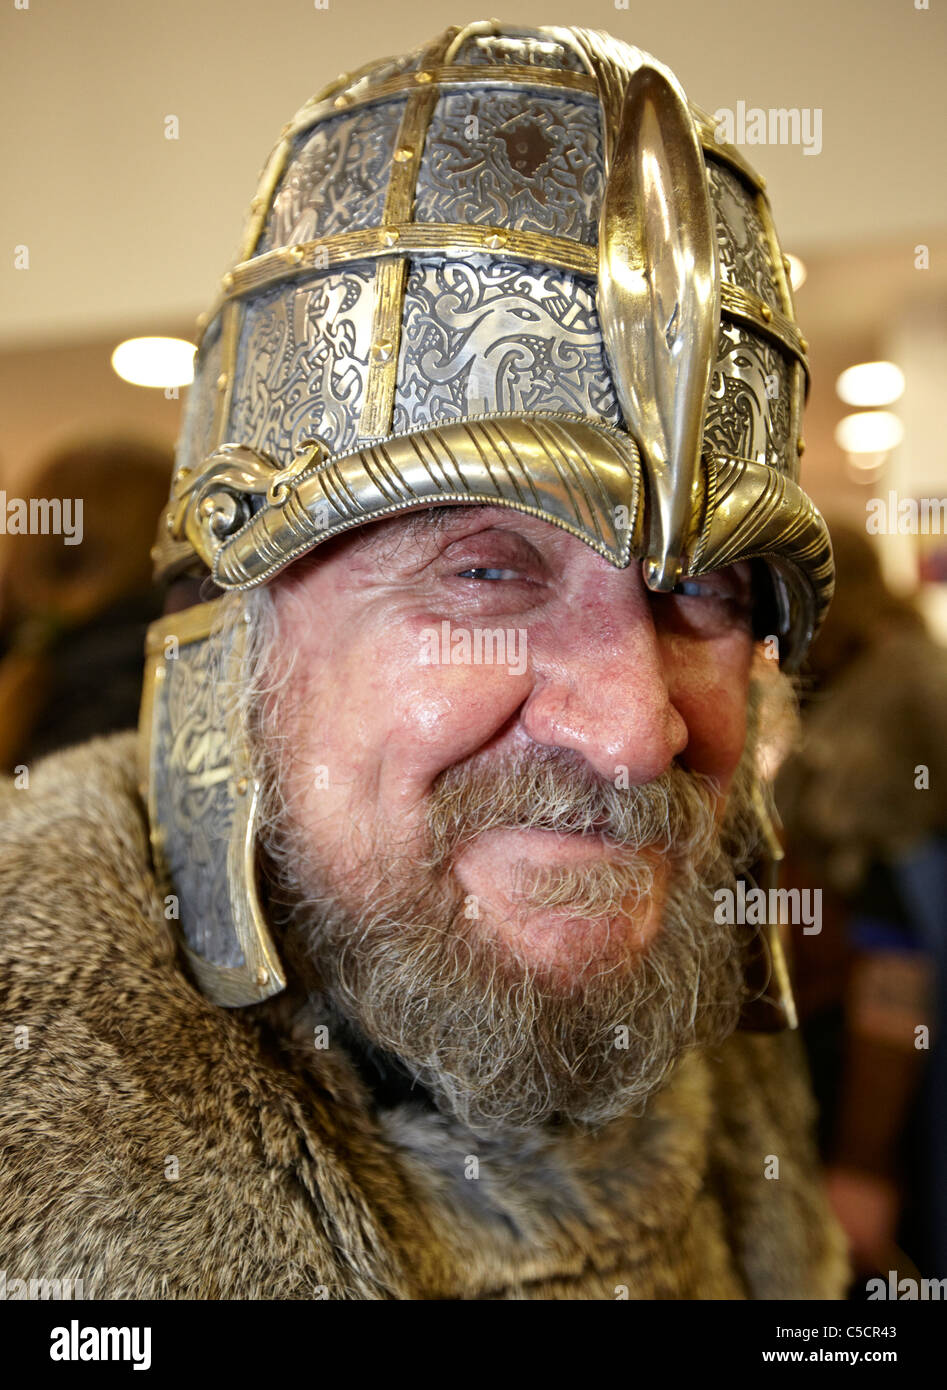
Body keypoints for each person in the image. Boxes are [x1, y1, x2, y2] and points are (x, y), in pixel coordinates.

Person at [0, 21, 847, 1299]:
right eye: (487, 570)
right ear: (237, 626)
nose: (632, 730)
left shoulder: (719, 1073)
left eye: (705, 589)